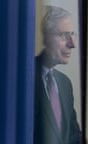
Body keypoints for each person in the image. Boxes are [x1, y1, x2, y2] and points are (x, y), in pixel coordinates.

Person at [34, 6, 81, 144]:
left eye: (73, 35)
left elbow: (73, 136)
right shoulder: (25, 78)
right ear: (46, 37)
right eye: (64, 35)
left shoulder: (65, 83)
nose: (72, 44)